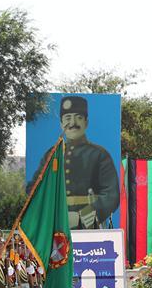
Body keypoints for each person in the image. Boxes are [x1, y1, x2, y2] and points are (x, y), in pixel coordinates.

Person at [35, 95, 119, 230]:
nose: (73, 123)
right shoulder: (52, 154)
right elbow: (34, 189)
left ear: (86, 122)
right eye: (68, 118)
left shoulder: (100, 154)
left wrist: (86, 214)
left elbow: (112, 194)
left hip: (89, 225)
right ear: (61, 123)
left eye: (79, 117)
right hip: (57, 226)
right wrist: (54, 214)